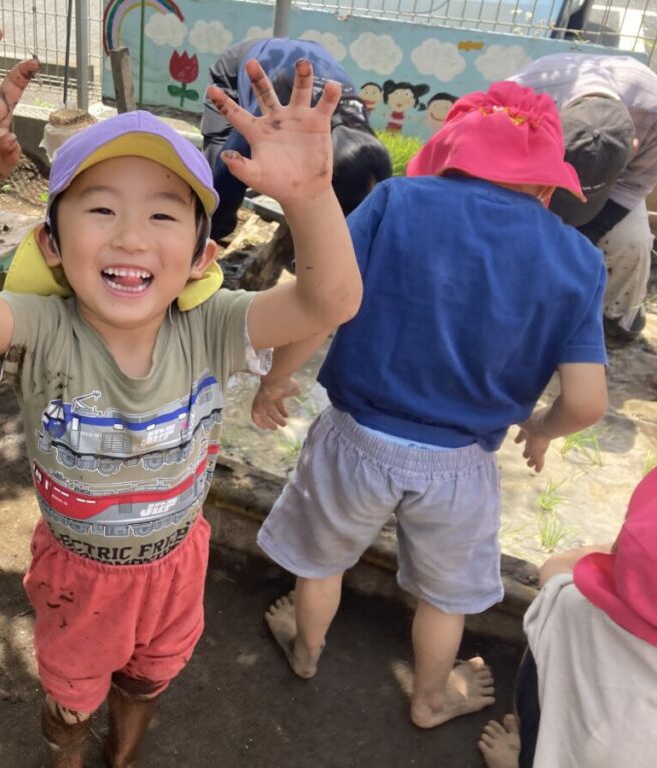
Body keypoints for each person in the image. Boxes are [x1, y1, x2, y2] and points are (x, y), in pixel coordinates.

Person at [0, 26, 360, 768]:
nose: (132, 238)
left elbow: (330, 301)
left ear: (202, 256)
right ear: (52, 245)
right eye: (101, 209)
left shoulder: (214, 327)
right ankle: (69, 752)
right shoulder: (43, 329)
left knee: (149, 679)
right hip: (77, 578)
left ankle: (123, 755)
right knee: (69, 699)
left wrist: (310, 197)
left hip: (176, 565)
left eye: (163, 215)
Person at [254, 81, 609, 730]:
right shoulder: (577, 259)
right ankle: (430, 698)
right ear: (544, 182)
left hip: (356, 438)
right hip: (461, 465)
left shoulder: (397, 201)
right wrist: (540, 428)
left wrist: (277, 378)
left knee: (323, 564)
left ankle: (305, 651)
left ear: (449, 153)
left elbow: (322, 298)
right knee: (444, 599)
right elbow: (586, 401)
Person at [478, 469, 657, 768]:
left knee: (546, 632)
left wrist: (617, 553)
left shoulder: (573, 604)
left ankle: (521, 757)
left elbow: (554, 568)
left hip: (556, 742)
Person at [509, 53, 657, 342]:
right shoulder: (522, 96)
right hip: (529, 177)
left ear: (632, 146)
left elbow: (633, 187)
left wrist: (584, 238)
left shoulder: (652, 114)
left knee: (632, 242)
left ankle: (615, 317)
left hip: (616, 185)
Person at [201, 38, 392, 240]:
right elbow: (227, 170)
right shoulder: (276, 120)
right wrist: (211, 231)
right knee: (222, 166)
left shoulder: (361, 135)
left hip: (308, 54)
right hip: (243, 64)